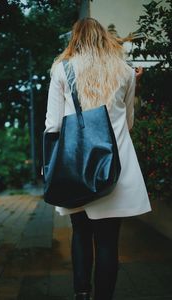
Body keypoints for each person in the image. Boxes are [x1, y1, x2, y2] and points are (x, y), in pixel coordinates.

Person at [44, 18, 151, 300]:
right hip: (115, 167)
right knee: (107, 241)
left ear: (75, 39)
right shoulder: (126, 72)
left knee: (80, 233)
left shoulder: (61, 69)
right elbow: (128, 124)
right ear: (105, 39)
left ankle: (82, 294)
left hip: (76, 164)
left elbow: (53, 126)